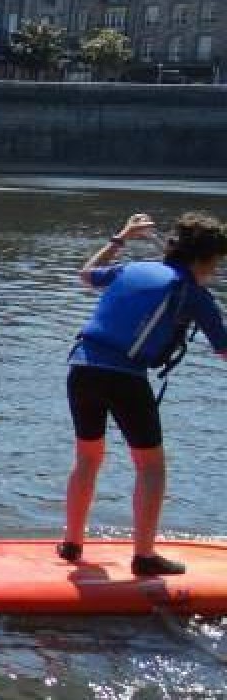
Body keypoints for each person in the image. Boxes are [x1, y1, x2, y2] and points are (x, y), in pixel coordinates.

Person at [61, 211, 227, 576]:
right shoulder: (193, 294)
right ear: (202, 260)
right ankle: (145, 556)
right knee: (151, 466)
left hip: (81, 368)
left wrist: (120, 238)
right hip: (124, 378)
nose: (214, 272)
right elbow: (223, 347)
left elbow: (86, 275)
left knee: (88, 458)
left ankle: (72, 544)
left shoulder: (132, 268)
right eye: (215, 265)